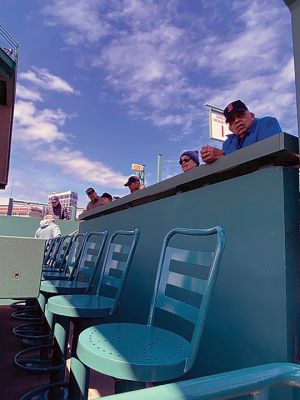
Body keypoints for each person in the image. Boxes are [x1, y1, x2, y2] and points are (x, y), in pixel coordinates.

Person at [200, 100, 282, 164]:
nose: (236, 121)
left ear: (252, 116)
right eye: (232, 120)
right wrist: (210, 157)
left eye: (240, 115)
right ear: (230, 128)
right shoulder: (227, 143)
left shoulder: (266, 123)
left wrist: (223, 156)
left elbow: (270, 155)